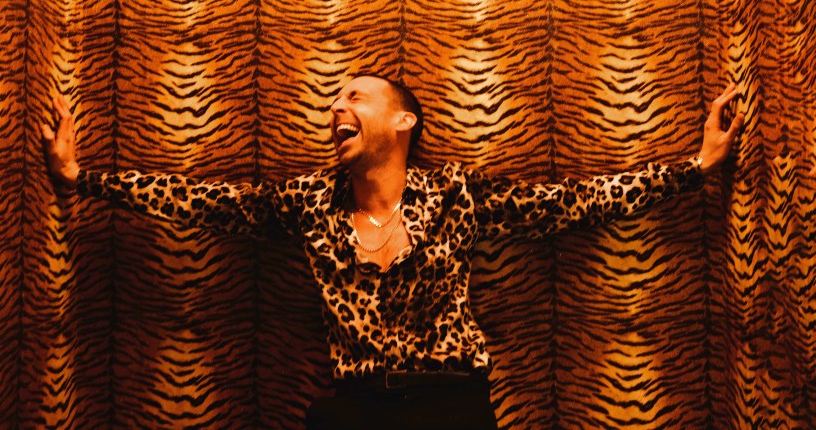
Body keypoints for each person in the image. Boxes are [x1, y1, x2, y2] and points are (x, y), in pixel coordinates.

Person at [41, 75, 745, 430]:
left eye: (355, 96)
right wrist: (81, 179)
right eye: (333, 100)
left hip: (452, 405)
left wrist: (698, 167)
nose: (335, 107)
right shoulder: (307, 203)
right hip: (352, 409)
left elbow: (572, 203)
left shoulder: (457, 196)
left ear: (403, 119)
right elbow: (204, 201)